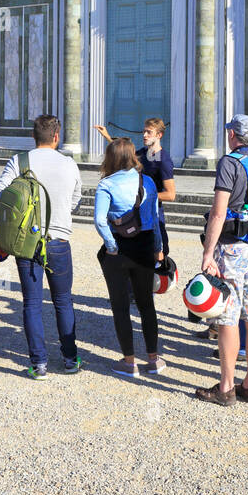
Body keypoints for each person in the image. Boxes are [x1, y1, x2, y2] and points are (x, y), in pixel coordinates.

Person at [0, 114, 83, 379]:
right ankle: (70, 359)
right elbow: (76, 200)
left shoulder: (20, 162)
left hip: (27, 241)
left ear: (33, 136)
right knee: (63, 301)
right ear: (56, 136)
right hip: (59, 240)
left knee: (32, 302)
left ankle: (39, 363)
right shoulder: (69, 164)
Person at [194, 114, 248, 406]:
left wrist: (207, 252)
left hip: (232, 248)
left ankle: (226, 387)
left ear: (232, 134)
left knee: (227, 317)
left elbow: (218, 212)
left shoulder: (230, 163)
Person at [94, 137, 164, 379]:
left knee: (121, 305)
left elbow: (100, 220)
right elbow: (155, 220)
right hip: (144, 244)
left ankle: (129, 361)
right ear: (133, 155)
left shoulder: (106, 184)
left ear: (110, 157)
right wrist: (158, 248)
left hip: (119, 247)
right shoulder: (147, 182)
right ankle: (154, 359)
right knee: (146, 304)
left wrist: (111, 245)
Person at [94, 116, 175, 255]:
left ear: (159, 135)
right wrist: (107, 136)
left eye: (149, 132)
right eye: (144, 131)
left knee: (159, 256)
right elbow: (123, 152)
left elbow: (171, 194)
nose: (144, 135)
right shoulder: (143, 153)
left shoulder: (164, 160)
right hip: (136, 214)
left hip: (153, 215)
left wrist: (144, 195)